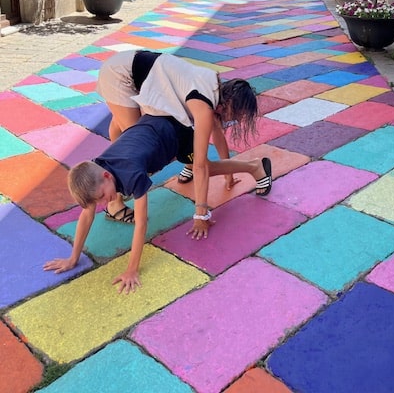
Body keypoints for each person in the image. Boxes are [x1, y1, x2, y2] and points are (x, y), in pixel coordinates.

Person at [43, 114, 273, 293]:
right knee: (195, 167)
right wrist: (73, 257)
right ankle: (192, 165)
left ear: (106, 176)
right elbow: (86, 214)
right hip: (151, 126)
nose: (105, 203)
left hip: (175, 134)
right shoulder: (96, 172)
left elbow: (142, 223)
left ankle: (255, 166)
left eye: (104, 197)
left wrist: (132, 269)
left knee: (204, 169)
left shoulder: (132, 174)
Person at [94, 50, 261, 223]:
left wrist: (229, 175)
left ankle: (115, 189)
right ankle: (114, 203)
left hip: (126, 64)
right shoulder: (204, 106)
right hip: (120, 75)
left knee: (120, 126)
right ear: (227, 107)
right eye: (235, 117)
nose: (233, 121)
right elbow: (200, 166)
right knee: (136, 145)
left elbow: (217, 134)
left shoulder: (214, 87)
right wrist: (201, 213)